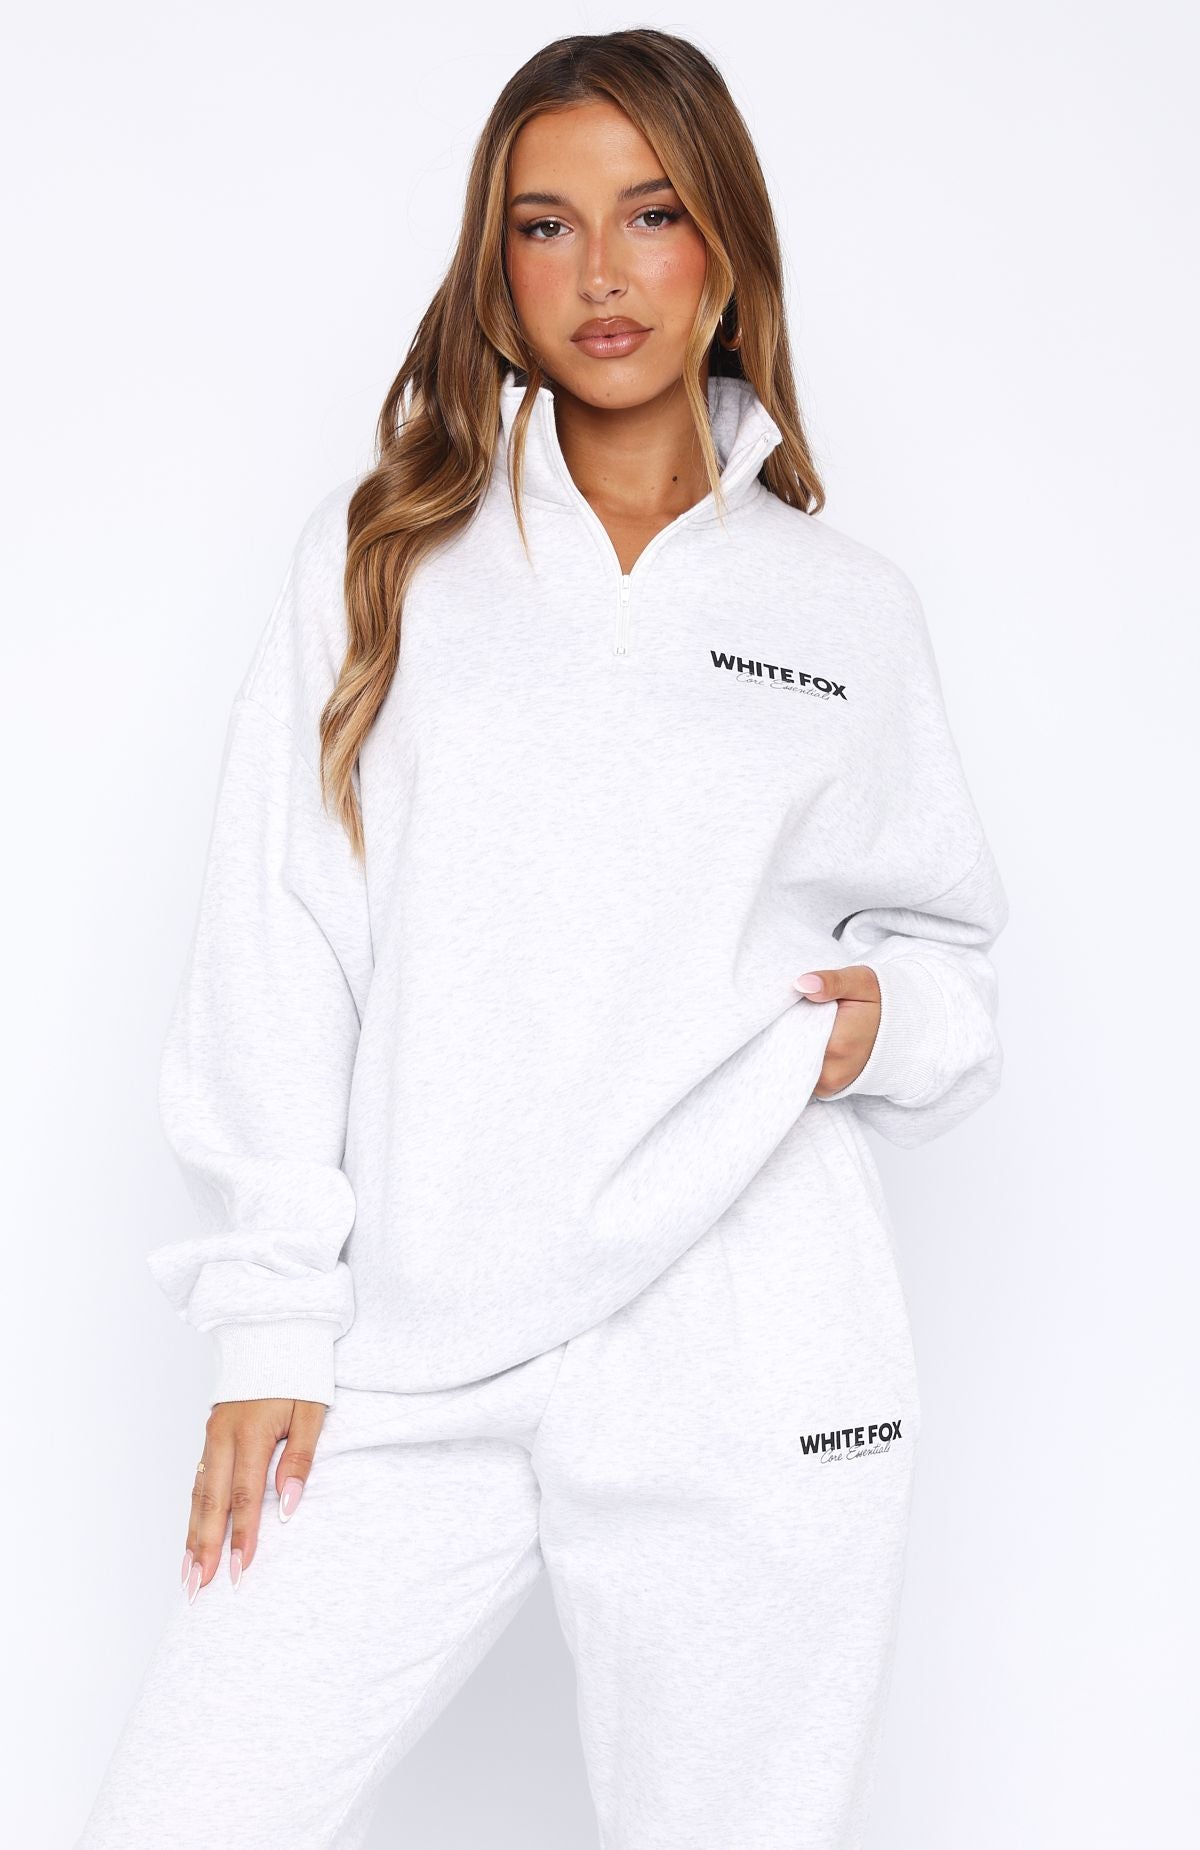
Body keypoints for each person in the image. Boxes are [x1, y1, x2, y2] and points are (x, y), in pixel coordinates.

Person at [76, 26, 1008, 1850]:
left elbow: (954, 962)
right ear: (495, 267)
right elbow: (283, 932)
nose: (600, 273)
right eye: (545, 224)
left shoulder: (844, 611)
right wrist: (270, 1319)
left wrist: (876, 1024)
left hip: (750, 1347)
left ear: (722, 248)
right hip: (416, 1346)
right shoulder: (387, 559)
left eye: (651, 215)